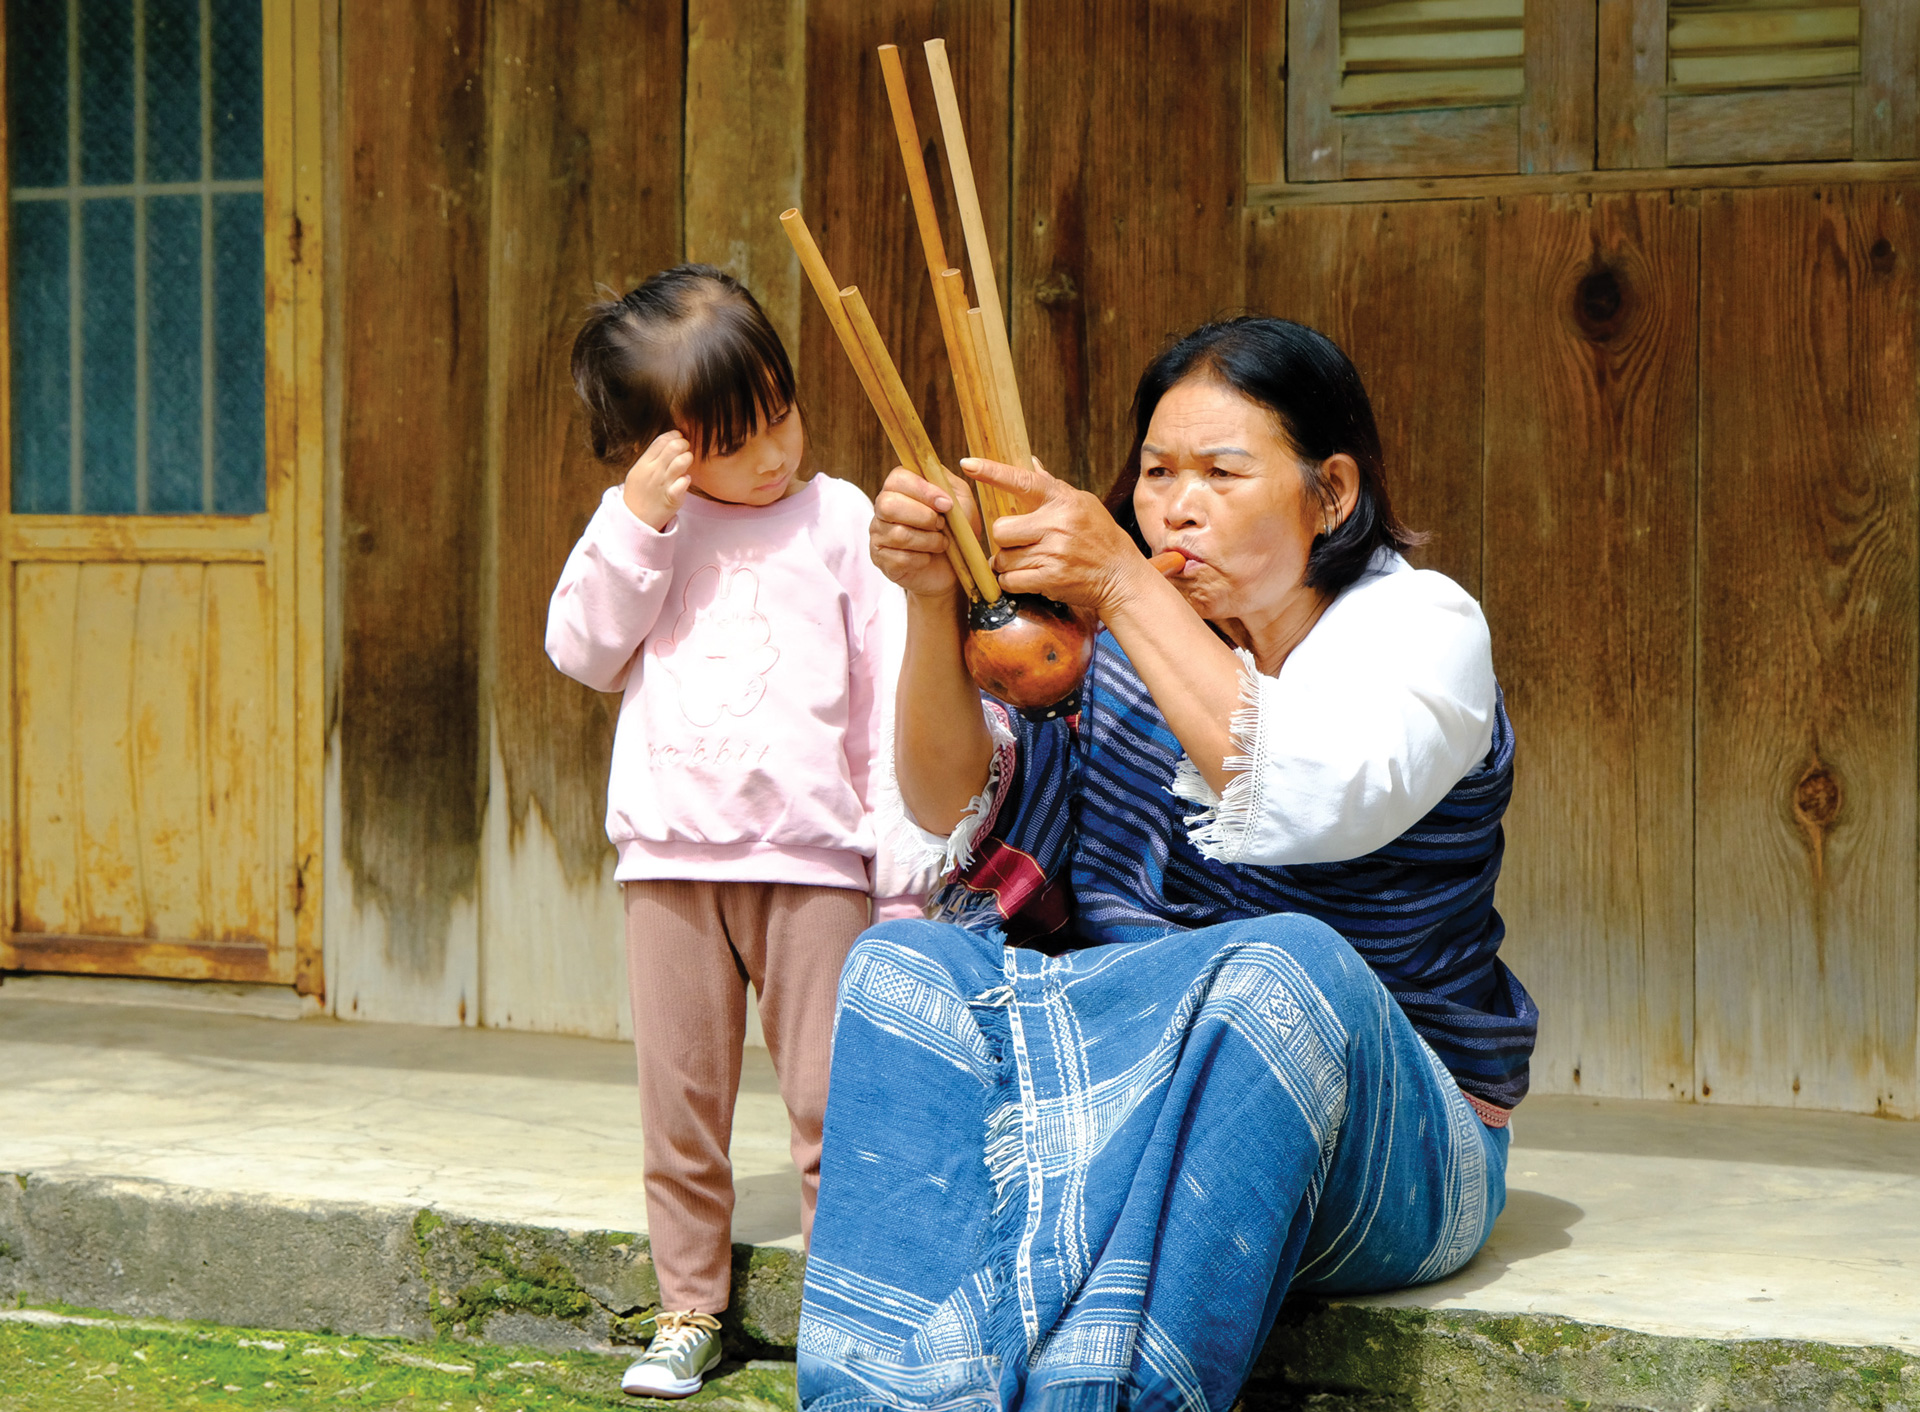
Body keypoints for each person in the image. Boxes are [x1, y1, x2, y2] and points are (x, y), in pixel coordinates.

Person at [799, 317, 1537, 1410]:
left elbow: (1309, 794)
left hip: (1397, 1149)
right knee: (902, 961)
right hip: (1124, 1097)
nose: (1174, 505)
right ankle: (892, 1395)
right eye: (1154, 473)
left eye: (1222, 472)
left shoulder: (1422, 628)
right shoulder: (1115, 643)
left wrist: (1121, 584)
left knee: (1283, 967)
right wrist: (925, 601)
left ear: (1330, 493)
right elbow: (950, 804)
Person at [545, 265, 933, 1400]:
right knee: (682, 1105)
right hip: (669, 861)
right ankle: (686, 1307)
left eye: (781, 414)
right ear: (664, 447)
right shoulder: (643, 529)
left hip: (814, 863)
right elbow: (582, 649)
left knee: (830, 1097)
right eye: (734, 438)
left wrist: (896, 855)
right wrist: (636, 518)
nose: (772, 454)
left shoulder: (843, 519)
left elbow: (887, 692)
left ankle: (846, 1307)